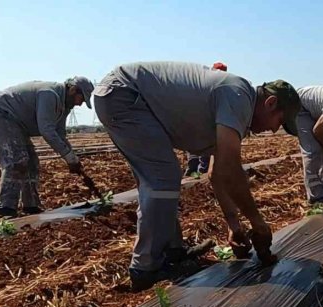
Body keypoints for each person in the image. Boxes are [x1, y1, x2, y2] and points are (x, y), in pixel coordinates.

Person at [93, 61, 301, 291]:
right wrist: (257, 223)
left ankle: (172, 250)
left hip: (125, 95)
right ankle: (146, 268)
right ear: (270, 103)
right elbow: (231, 169)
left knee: (162, 179)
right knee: (162, 177)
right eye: (279, 122)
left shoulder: (237, 102)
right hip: (125, 95)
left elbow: (217, 173)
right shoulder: (239, 96)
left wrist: (234, 225)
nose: (274, 130)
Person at [0, 76, 94, 217]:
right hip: (0, 113)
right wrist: (68, 156)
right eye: (82, 99)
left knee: (32, 162)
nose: (80, 104)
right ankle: (4, 207)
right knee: (17, 160)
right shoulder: (49, 94)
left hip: (17, 123)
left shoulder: (64, 105)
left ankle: (31, 205)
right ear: (73, 90)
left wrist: (72, 158)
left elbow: (60, 133)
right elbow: (47, 130)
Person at [184, 61, 229, 177]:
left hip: (194, 120)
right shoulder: (222, 86)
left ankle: (193, 171)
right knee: (205, 148)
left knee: (194, 147)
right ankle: (201, 172)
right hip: (204, 122)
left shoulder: (202, 82)